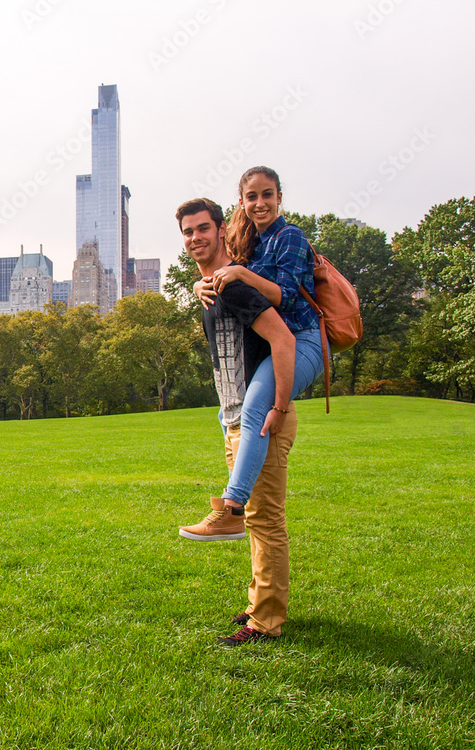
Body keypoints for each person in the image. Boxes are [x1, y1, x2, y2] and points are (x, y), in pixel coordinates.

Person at [175, 197, 299, 646]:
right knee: (251, 517)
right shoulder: (210, 286)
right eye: (187, 232)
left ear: (222, 228)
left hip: (263, 420)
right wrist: (198, 286)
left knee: (264, 520)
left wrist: (279, 408)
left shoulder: (238, 285)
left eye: (203, 229)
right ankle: (258, 605)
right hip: (234, 421)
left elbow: (283, 339)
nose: (195, 238)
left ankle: (266, 621)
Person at [186, 166, 324, 520]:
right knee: (234, 411)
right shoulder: (251, 240)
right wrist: (199, 285)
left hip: (302, 339)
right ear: (242, 201)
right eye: (252, 197)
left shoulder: (289, 236)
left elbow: (285, 297)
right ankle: (233, 513)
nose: (260, 203)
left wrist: (241, 274)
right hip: (279, 342)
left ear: (280, 197)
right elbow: (223, 268)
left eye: (267, 195)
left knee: (254, 410)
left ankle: (231, 507)